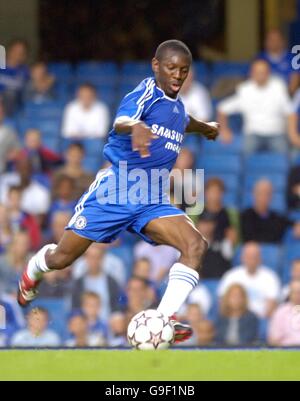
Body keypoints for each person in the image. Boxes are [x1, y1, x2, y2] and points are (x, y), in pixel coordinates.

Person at [18, 40, 219, 344]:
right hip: (116, 190)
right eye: (171, 68)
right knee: (62, 257)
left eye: (184, 70)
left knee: (195, 245)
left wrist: (204, 127)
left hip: (150, 197)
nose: (177, 75)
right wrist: (136, 126)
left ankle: (163, 319)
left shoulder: (178, 108)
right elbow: (122, 119)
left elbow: (182, 122)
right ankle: (34, 268)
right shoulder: (146, 92)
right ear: (156, 66)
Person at [218, 60, 293, 154]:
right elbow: (222, 109)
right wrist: (224, 130)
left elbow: (290, 112)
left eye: (264, 72)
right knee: (243, 157)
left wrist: (292, 133)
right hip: (252, 134)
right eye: (257, 72)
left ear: (269, 73)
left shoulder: (278, 87)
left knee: (285, 158)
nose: (261, 75)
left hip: (276, 133)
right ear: (251, 73)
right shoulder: (244, 90)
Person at [218, 242, 281, 318]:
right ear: (242, 257)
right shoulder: (231, 276)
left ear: (260, 258)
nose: (251, 260)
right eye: (248, 256)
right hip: (235, 318)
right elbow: (222, 302)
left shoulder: (270, 277)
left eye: (254, 256)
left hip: (260, 320)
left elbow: (272, 306)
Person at [241, 179, 290, 244]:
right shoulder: (245, 216)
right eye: (261, 192)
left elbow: (292, 224)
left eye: (268, 193)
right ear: (254, 194)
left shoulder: (277, 218)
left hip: (273, 253)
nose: (264, 196)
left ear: (272, 196)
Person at [257, 29, 300, 95]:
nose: (273, 42)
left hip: (286, 97)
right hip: (263, 97)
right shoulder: (259, 59)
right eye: (270, 39)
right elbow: (254, 82)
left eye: (277, 39)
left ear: (283, 41)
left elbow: (294, 85)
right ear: (265, 42)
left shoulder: (293, 59)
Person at [0, 39, 29, 115]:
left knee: (10, 94)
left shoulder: (25, 71)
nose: (17, 54)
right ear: (9, 50)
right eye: (15, 50)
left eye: (21, 52)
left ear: (24, 56)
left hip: (9, 104)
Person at [268, 280, 300, 347]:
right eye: (295, 292)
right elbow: (273, 339)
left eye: (299, 292)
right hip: (287, 350)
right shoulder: (280, 312)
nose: (297, 295)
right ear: (289, 294)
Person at [0, 100, 20, 174]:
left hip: (3, 169)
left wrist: (12, 154)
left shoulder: (10, 132)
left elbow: (17, 150)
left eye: (1, 112)